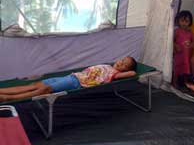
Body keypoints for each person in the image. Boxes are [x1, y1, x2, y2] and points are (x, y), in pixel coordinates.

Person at [0, 56, 137, 102]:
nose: (120, 63)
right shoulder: (108, 65)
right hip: (72, 76)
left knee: (46, 89)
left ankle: (8, 99)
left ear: (125, 69)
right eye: (122, 60)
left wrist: (129, 70)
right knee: (35, 84)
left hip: (76, 82)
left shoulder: (115, 73)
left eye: (124, 64)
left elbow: (131, 74)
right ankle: (3, 91)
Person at [173, 10, 193, 88]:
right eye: (182, 21)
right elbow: (171, 41)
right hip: (178, 55)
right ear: (178, 21)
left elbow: (193, 42)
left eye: (187, 21)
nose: (184, 23)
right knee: (176, 68)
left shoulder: (190, 32)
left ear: (190, 22)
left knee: (186, 68)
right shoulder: (177, 31)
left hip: (186, 55)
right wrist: (175, 45)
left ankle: (185, 82)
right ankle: (174, 81)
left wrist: (190, 45)